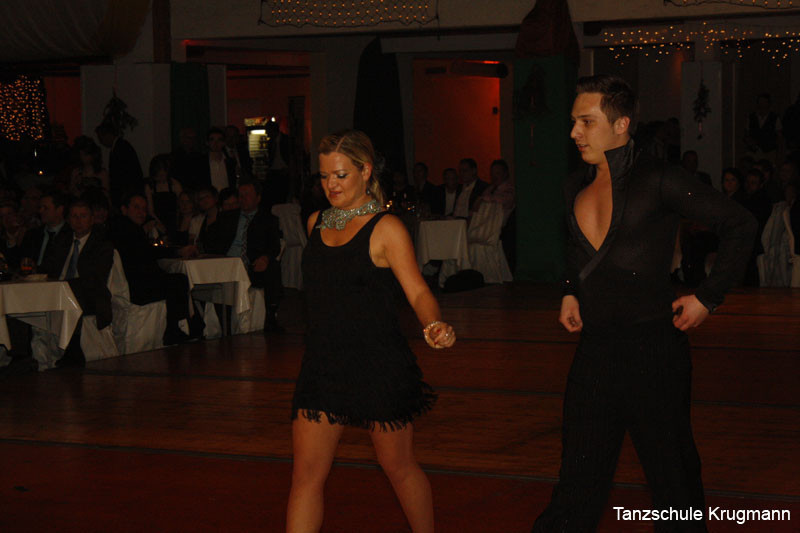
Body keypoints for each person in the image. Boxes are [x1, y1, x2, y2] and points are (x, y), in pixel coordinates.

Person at [532, 75, 757, 532]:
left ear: (621, 125)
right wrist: (570, 289)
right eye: (574, 122)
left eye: (586, 122)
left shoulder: (658, 178)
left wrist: (708, 296)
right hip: (596, 351)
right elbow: (577, 249)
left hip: (654, 350)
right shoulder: (574, 185)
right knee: (577, 483)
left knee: (673, 483)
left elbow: (740, 224)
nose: (574, 132)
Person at [287, 130, 455, 533]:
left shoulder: (386, 228)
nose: (331, 185)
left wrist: (433, 323)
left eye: (341, 175)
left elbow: (418, 291)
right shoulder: (314, 223)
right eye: (324, 176)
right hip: (323, 365)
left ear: (365, 171)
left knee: (398, 466)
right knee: (306, 476)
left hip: (377, 364)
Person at [110, 193, 200, 345]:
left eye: (144, 209)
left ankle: (184, 327)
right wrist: (177, 252)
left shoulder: (123, 227)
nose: (141, 212)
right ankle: (175, 329)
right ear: (124, 209)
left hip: (133, 283)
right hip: (138, 287)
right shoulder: (127, 229)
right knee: (178, 281)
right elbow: (147, 253)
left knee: (176, 279)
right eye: (136, 208)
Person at [201, 180, 283, 332]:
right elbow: (210, 239)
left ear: (258, 198)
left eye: (247, 195)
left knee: (273, 268)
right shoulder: (227, 217)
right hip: (227, 265)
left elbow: (274, 246)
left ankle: (271, 316)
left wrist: (265, 258)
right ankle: (220, 325)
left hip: (251, 265)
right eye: (241, 195)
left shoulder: (268, 219)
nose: (242, 198)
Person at [43, 199, 114, 367]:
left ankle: (73, 350)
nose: (79, 221)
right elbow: (49, 267)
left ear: (91, 219)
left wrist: (67, 286)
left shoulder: (101, 244)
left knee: (74, 294)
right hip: (58, 290)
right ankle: (22, 353)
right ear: (68, 220)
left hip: (90, 294)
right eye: (74, 216)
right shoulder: (62, 241)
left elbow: (96, 278)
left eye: (83, 216)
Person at [95, 122, 143, 207]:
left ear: (108, 135)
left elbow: (124, 174)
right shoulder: (120, 147)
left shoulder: (121, 148)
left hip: (126, 192)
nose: (101, 142)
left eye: (101, 138)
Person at [144, 154, 183, 239]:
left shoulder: (174, 184)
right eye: (158, 175)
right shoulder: (150, 187)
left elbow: (180, 206)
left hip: (174, 220)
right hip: (157, 221)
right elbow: (150, 210)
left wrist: (178, 222)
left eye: (163, 174)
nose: (161, 177)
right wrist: (159, 224)